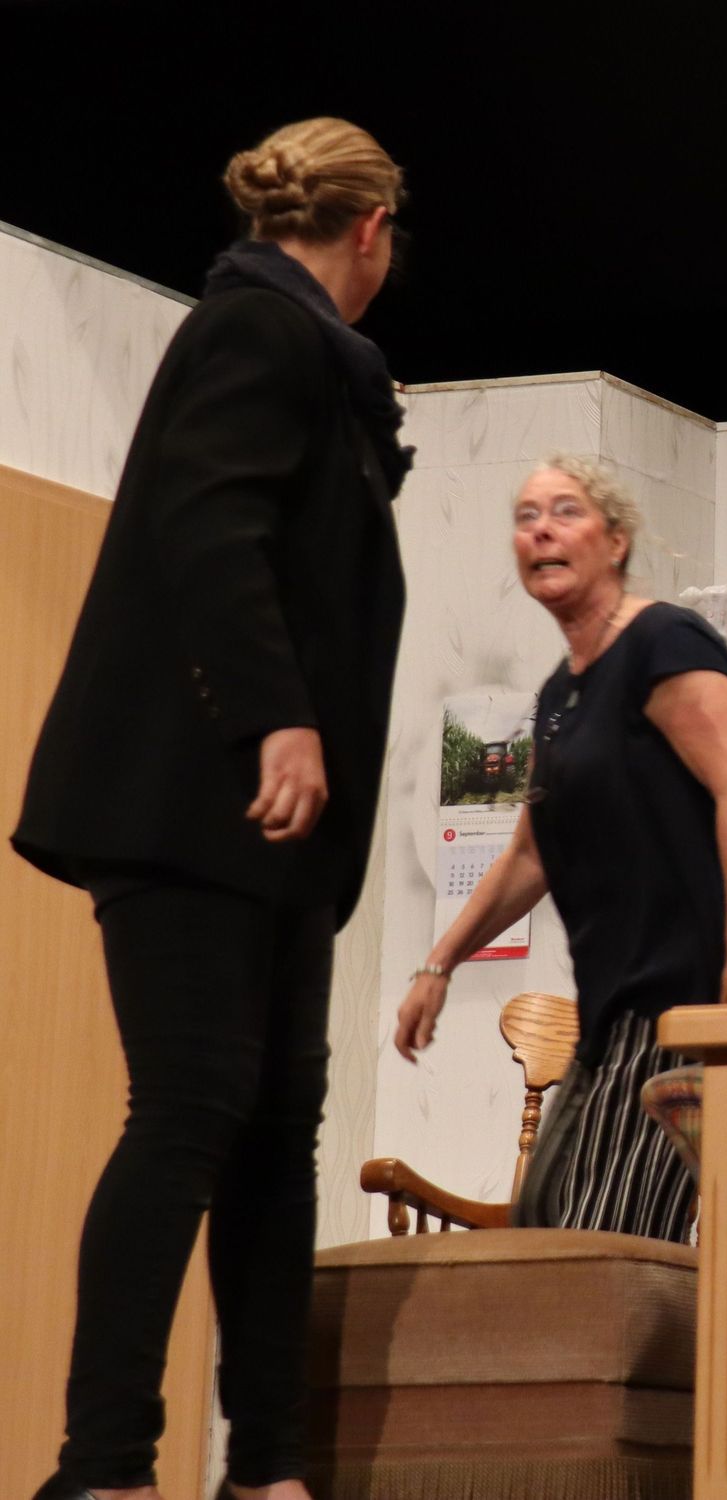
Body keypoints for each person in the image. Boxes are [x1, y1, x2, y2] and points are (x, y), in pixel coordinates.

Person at [11, 119, 411, 1500]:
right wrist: (274, 716)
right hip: (189, 799)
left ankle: (268, 1468)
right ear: (371, 231)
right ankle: (106, 1467)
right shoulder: (257, 329)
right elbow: (208, 523)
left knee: (276, 1131)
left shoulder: (318, 359)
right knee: (188, 1107)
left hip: (271, 827)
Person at [393, 456, 727, 1239]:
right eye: (526, 517)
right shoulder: (561, 693)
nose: (541, 530)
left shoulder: (663, 642)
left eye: (565, 511)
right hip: (617, 1005)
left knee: (602, 1239)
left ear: (616, 542)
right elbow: (529, 855)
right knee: (544, 1213)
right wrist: (437, 966)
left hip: (692, 999)